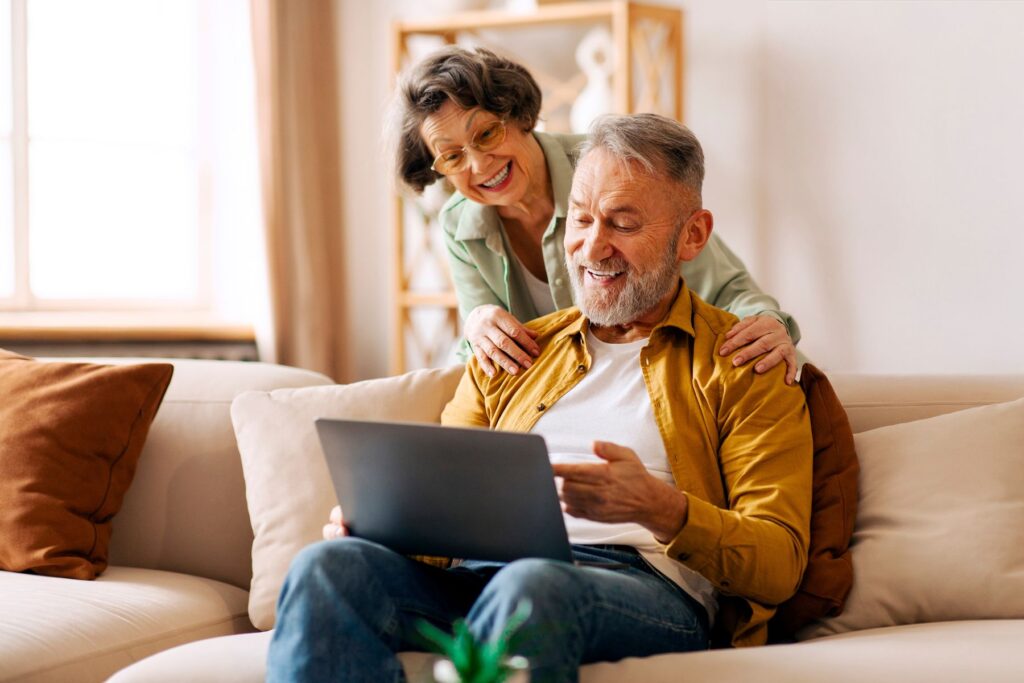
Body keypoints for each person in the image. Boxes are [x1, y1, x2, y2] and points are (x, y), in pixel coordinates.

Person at [267, 114, 813, 682]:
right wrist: (381, 526)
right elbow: (441, 514)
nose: (592, 246)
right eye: (579, 219)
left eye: (623, 224)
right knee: (328, 567)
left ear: (693, 236)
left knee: (529, 586)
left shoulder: (744, 362)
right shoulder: (513, 354)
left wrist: (661, 509)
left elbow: (778, 565)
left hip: (639, 586)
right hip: (487, 574)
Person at [390, 46, 802, 383]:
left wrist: (767, 324)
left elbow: (728, 290)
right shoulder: (459, 224)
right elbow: (485, 352)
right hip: (565, 398)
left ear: (517, 115)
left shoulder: (610, 167)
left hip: (661, 377)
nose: (479, 166)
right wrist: (476, 324)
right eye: (452, 156)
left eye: (486, 134)